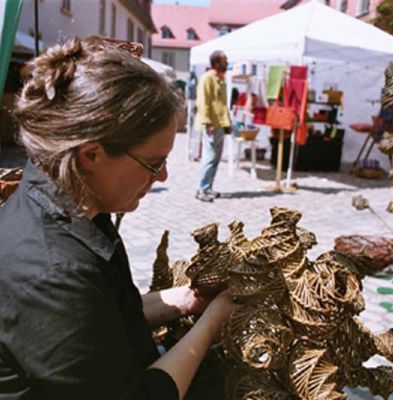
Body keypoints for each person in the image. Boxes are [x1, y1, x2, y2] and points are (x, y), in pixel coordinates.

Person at [0, 37, 235, 400]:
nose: (163, 177)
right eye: (153, 163)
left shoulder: (67, 199)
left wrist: (188, 298)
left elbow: (103, 316)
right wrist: (210, 325)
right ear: (91, 155)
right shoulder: (54, 271)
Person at [194, 51, 231, 203]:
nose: (227, 62)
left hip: (220, 124)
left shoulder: (221, 80)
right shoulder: (207, 78)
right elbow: (203, 102)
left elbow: (222, 105)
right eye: (224, 60)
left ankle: (208, 187)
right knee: (209, 158)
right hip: (211, 125)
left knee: (215, 159)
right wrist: (208, 123)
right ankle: (202, 189)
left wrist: (228, 123)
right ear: (216, 63)